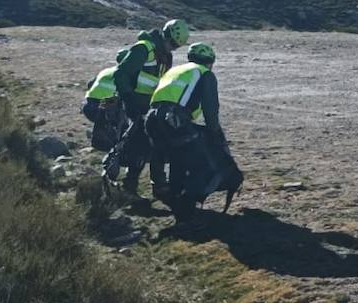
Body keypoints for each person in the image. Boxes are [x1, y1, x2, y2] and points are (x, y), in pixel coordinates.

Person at [144, 42, 241, 217]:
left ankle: (171, 194)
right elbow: (210, 111)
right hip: (175, 119)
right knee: (200, 162)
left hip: (152, 118)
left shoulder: (176, 71)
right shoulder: (205, 74)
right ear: (210, 61)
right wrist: (215, 134)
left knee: (177, 157)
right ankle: (187, 204)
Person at [103, 18, 190, 196]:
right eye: (173, 44)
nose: (173, 48)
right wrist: (128, 98)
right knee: (136, 145)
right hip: (134, 105)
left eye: (176, 46)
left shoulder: (166, 56)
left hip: (150, 108)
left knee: (150, 145)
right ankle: (128, 184)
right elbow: (121, 74)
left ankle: (145, 184)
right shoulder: (144, 49)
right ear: (166, 37)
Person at [82, 52, 127, 151]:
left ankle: (98, 142)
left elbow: (90, 83)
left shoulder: (106, 71)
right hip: (101, 107)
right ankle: (114, 143)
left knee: (106, 111)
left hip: (88, 105)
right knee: (122, 107)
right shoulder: (125, 73)